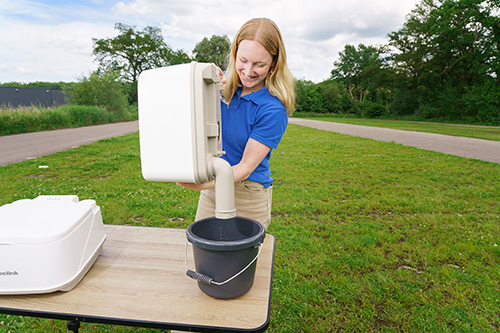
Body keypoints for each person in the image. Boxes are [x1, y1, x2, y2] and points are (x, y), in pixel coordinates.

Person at [177, 18, 295, 229]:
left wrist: (200, 184)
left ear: (274, 64)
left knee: (240, 260)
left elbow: (246, 166)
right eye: (243, 60)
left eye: (259, 65)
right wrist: (208, 90)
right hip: (213, 185)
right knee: (204, 252)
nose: (248, 71)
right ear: (234, 54)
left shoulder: (272, 109)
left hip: (247, 192)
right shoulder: (220, 87)